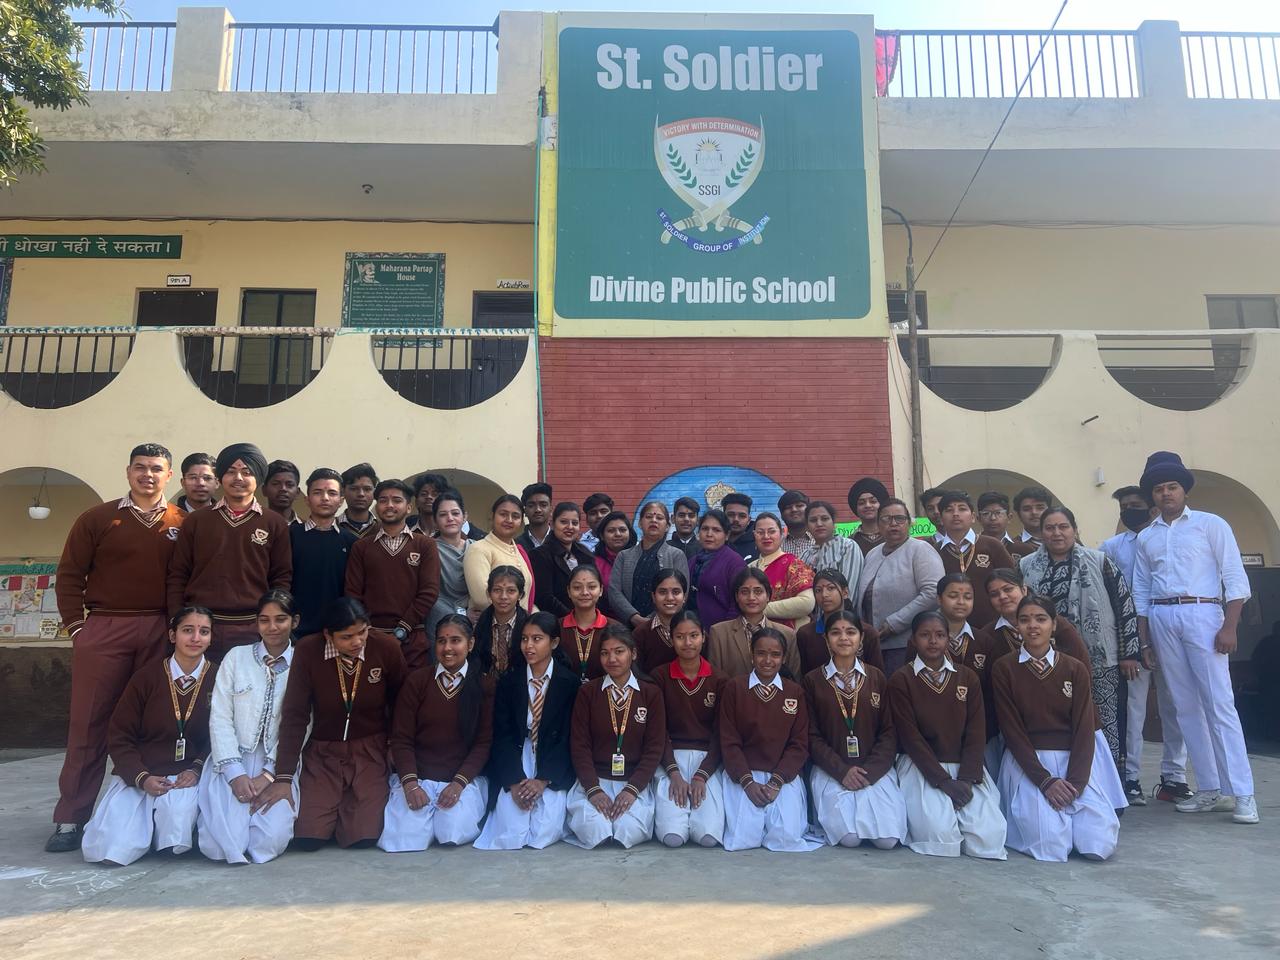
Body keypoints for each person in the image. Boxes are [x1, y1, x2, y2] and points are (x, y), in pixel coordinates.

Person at [48, 442, 187, 853]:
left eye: (156, 468)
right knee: (88, 724)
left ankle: (144, 817)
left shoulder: (182, 522)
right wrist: (78, 629)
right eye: (140, 467)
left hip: (160, 628)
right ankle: (71, 817)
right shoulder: (97, 518)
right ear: (128, 472)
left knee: (154, 724)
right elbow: (70, 574)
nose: (148, 474)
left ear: (169, 475)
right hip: (105, 625)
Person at [1132, 451, 1257, 824]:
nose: (1166, 493)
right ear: (1152, 495)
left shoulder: (1210, 525)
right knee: (1185, 707)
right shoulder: (1146, 537)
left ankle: (1243, 794)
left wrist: (1230, 626)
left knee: (1219, 704)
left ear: (1184, 489)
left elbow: (1235, 578)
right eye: (1159, 489)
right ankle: (1209, 788)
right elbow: (1141, 591)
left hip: (1203, 613)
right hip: (1162, 617)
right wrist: (1144, 641)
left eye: (1172, 486)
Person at [263, 598, 407, 849]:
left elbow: (401, 704)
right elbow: (295, 714)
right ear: (328, 635)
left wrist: (395, 745)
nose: (357, 642)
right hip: (323, 753)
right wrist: (283, 776)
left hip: (369, 751)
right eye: (346, 637)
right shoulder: (308, 650)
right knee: (308, 838)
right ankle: (333, 807)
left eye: (362, 632)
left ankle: (350, 809)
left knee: (363, 837)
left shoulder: (386, 647)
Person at [81, 606, 217, 865]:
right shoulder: (146, 677)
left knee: (175, 830)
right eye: (187, 630)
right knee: (109, 849)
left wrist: (197, 769)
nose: (195, 638)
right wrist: (141, 777)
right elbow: (120, 735)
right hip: (144, 771)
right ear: (173, 635)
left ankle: (166, 832)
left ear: (211, 638)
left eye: (204, 632)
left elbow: (221, 735)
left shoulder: (219, 677)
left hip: (187, 775)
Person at [994, 594, 1123, 862]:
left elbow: (1084, 729)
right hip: (1029, 764)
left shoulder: (1074, 669)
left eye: (1041, 619)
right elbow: (1012, 732)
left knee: (1098, 844)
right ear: (1017, 626)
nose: (1033, 626)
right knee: (1051, 844)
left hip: (1073, 763)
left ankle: (1074, 824)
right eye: (1025, 620)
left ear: (1053, 625)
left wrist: (1075, 784)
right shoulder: (1004, 668)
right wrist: (1045, 781)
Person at [1021, 506, 1141, 774]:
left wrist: (1128, 653)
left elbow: (1124, 606)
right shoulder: (1026, 566)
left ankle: (1110, 780)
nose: (1057, 533)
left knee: (1104, 720)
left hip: (1099, 659)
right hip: (1044, 659)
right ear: (1042, 533)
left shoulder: (1099, 561)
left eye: (1063, 526)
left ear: (1075, 530)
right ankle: (1063, 775)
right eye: (1050, 528)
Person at [889, 611, 1006, 860]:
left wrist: (966, 779)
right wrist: (943, 781)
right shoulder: (902, 679)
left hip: (965, 769)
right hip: (922, 768)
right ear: (913, 640)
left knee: (990, 837)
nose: (933, 641)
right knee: (940, 837)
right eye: (925, 635)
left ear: (948, 639)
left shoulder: (967, 677)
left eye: (940, 635)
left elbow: (976, 732)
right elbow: (911, 738)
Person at [1101, 485, 1190, 804]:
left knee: (1174, 707)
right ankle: (1130, 777)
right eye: (1123, 507)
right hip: (1131, 640)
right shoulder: (1111, 547)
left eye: (1134, 505)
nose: (1128, 511)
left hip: (1169, 632)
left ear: (1151, 507)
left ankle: (1174, 777)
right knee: (1134, 710)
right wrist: (1128, 643)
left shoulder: (1168, 539)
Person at [198, 590, 299, 864]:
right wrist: (235, 773)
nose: (272, 627)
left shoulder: (302, 662)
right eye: (264, 620)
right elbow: (220, 716)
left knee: (267, 843)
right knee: (218, 846)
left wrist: (269, 775)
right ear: (256, 623)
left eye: (280, 619)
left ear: (295, 621)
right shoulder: (236, 657)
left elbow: (301, 724)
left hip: (278, 764)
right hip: (232, 758)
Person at [167, 442, 292, 660]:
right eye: (231, 471)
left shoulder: (274, 523)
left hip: (252, 627)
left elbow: (281, 577)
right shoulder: (197, 520)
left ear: (258, 478)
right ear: (220, 477)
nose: (238, 478)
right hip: (201, 626)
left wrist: (271, 620)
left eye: (247, 472)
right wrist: (178, 618)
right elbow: (178, 574)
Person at [379, 616, 495, 851]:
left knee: (450, 832)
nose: (447, 648)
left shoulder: (485, 685)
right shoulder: (417, 681)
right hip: (419, 778)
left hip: (461, 781)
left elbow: (483, 743)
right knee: (403, 839)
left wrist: (458, 784)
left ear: (470, 644)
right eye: (441, 641)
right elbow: (401, 739)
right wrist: (410, 784)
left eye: (456, 640)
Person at [475, 612, 579, 850]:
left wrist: (542, 780)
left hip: (551, 760)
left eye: (537, 639)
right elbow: (502, 735)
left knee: (543, 831)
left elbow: (567, 737)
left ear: (554, 642)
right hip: (518, 755)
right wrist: (514, 781)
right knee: (511, 830)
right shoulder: (509, 682)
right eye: (524, 639)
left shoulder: (569, 683)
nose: (528, 646)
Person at [803, 610, 906, 849]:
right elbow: (812, 736)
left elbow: (889, 732)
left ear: (861, 638)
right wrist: (842, 771)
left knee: (887, 840)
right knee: (849, 838)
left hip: (873, 769)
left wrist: (870, 772)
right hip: (832, 769)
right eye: (835, 633)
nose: (843, 638)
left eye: (850, 632)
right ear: (826, 639)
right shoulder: (813, 680)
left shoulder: (877, 677)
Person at [566, 624, 667, 848]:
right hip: (595, 780)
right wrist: (593, 790)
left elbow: (654, 747)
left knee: (627, 830)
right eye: (605, 653)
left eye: (619, 651)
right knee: (596, 831)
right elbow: (580, 745)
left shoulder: (650, 693)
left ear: (633, 653)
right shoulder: (588, 692)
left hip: (634, 782)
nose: (611, 659)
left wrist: (632, 790)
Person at [718, 627, 815, 851]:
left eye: (775, 654)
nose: (768, 660)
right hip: (743, 774)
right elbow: (729, 741)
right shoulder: (735, 688)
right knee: (744, 838)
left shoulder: (794, 692)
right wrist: (747, 782)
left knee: (786, 838)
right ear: (751, 655)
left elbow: (799, 744)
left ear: (784, 658)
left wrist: (776, 781)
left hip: (782, 776)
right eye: (761, 653)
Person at [344, 480, 441, 670]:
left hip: (413, 638)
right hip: (370, 638)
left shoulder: (425, 545)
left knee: (413, 687)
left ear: (408, 507)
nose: (389, 505)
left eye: (396, 500)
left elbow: (429, 592)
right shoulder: (361, 547)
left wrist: (403, 628)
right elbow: (352, 593)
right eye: (383, 500)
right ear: (376, 506)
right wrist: (368, 630)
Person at [650, 611, 727, 847]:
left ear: (704, 637)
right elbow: (657, 731)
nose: (687, 643)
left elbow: (721, 734)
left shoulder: (720, 679)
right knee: (672, 836)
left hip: (707, 762)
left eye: (694, 635)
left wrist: (702, 775)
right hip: (670, 759)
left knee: (708, 837)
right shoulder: (659, 677)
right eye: (680, 636)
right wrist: (673, 773)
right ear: (671, 638)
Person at [857, 499, 945, 675]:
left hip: (905, 644)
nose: (893, 524)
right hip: (872, 645)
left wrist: (894, 623)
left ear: (909, 523)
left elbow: (932, 593)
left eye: (899, 518)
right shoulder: (873, 554)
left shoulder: (920, 550)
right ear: (878, 524)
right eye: (886, 519)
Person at [289, 468, 357, 641]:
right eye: (317, 492)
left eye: (332, 493)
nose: (325, 498)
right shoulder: (290, 535)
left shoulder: (351, 542)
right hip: (294, 630)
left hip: (336, 632)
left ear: (341, 501)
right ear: (307, 499)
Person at [933, 491, 1015, 628]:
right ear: (941, 518)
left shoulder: (992, 545)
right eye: (949, 510)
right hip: (949, 627)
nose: (955, 514)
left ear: (972, 517)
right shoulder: (934, 551)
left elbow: (1012, 582)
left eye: (962, 509)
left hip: (994, 626)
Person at [608, 501, 690, 629]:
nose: (654, 520)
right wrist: (634, 618)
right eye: (649, 517)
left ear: (667, 526)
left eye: (659, 518)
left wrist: (654, 620)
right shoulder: (624, 556)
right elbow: (614, 591)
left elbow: (683, 592)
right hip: (629, 626)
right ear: (640, 523)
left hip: (666, 625)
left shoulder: (676, 555)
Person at [706, 568, 800, 678]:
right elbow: (715, 679)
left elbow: (794, 680)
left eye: (758, 591)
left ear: (768, 596)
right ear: (736, 596)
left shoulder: (787, 634)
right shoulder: (719, 633)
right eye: (745, 592)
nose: (751, 597)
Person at [795, 569, 884, 675]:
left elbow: (877, 677)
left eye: (831, 588)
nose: (824, 595)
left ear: (845, 592)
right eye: (818, 590)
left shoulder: (867, 632)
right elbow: (804, 676)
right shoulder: (806, 634)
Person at [462, 494, 535, 616]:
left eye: (515, 516)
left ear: (521, 521)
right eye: (503, 514)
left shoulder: (519, 551)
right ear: (492, 516)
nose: (509, 520)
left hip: (522, 623)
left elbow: (526, 597)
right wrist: (519, 617)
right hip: (492, 623)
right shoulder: (479, 549)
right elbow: (482, 598)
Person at [530, 502, 598, 618]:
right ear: (552, 524)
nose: (570, 527)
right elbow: (544, 597)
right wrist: (573, 618)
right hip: (556, 621)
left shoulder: (586, 554)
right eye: (563, 522)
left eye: (574, 523)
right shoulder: (539, 555)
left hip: (588, 620)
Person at [749, 512, 815, 630]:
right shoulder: (749, 568)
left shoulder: (794, 565)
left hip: (788, 634)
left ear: (782, 533)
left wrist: (759, 608)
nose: (766, 536)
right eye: (760, 532)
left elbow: (807, 603)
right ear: (754, 535)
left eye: (771, 531)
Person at [424, 489, 472, 642]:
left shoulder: (477, 548)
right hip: (439, 616)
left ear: (464, 517)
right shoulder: (428, 549)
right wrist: (459, 613)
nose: (450, 518)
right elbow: (428, 592)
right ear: (435, 521)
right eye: (443, 515)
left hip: (475, 615)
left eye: (455, 513)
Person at [559, 565, 620, 683]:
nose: (585, 592)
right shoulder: (557, 628)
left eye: (591, 587)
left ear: (601, 590)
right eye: (577, 588)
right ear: (569, 591)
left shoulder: (615, 628)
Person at [689, 510, 748, 629]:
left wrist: (726, 632)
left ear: (727, 535)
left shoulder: (734, 563)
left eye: (716, 530)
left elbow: (738, 604)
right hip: (692, 632)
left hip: (722, 632)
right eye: (705, 529)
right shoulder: (692, 561)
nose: (709, 534)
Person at [806, 500, 865, 615]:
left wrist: (834, 621)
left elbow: (849, 592)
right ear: (807, 526)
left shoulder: (847, 547)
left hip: (842, 620)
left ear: (833, 523)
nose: (819, 524)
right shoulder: (805, 555)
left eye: (825, 519)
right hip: (811, 623)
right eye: (813, 520)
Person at [474, 566, 530, 678]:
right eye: (497, 590)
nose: (503, 597)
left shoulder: (529, 626)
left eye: (511, 591)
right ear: (489, 593)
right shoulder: (480, 625)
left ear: (520, 595)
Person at [632, 569, 690, 673]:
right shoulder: (640, 634)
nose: (670, 598)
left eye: (676, 592)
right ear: (653, 597)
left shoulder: (696, 633)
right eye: (663, 592)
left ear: (684, 597)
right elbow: (637, 674)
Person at [593, 510, 637, 611]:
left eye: (622, 530)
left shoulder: (640, 557)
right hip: (606, 617)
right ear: (602, 536)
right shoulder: (594, 563)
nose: (617, 534)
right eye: (611, 531)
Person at [847, 477, 889, 555]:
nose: (868, 505)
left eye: (873, 501)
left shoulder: (893, 537)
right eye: (861, 503)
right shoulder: (849, 543)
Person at [337, 463, 379, 539]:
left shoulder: (383, 529)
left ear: (375, 492)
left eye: (367, 489)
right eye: (354, 489)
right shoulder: (331, 527)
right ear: (343, 492)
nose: (361, 494)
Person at [1011, 486, 1053, 558]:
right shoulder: (1011, 547)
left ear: (1050, 511)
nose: (1034, 512)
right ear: (1019, 514)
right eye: (1027, 509)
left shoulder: (1063, 541)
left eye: (1040, 508)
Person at [778, 489, 815, 563]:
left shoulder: (822, 541)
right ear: (781, 515)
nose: (794, 510)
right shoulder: (777, 545)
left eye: (799, 506)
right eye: (788, 507)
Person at [515, 482, 554, 553]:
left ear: (551, 509)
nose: (538, 510)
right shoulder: (515, 545)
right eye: (531, 505)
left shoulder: (561, 542)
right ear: (525, 511)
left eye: (543, 505)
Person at [263, 460, 302, 526]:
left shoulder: (306, 529)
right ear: (264, 490)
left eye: (289, 485)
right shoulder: (253, 525)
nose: (283, 489)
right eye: (276, 484)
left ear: (297, 493)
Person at [722, 493, 759, 563]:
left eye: (742, 516)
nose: (736, 519)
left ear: (749, 520)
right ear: (723, 517)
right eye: (731, 515)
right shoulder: (713, 543)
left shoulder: (759, 545)